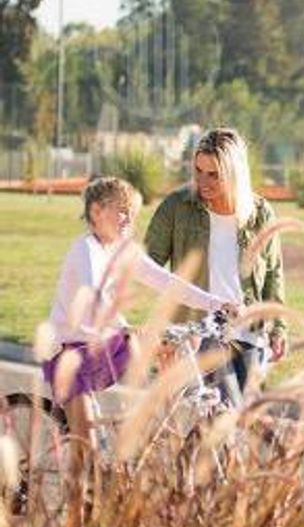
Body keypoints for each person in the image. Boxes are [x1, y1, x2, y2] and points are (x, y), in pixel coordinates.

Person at [42, 176, 236, 464]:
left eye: (132, 213)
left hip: (105, 345)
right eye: (121, 211)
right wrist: (125, 326)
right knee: (86, 455)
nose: (128, 219)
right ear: (96, 212)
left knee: (172, 345)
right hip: (72, 355)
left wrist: (216, 304)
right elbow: (93, 297)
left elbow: (167, 281)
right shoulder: (85, 250)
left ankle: (156, 427)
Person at [144, 127, 287, 404]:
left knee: (241, 420)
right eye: (198, 171)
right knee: (219, 416)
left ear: (235, 174)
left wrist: (279, 327)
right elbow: (148, 265)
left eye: (214, 174)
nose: (203, 182)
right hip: (199, 331)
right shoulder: (177, 206)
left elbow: (273, 274)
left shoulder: (260, 213)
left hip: (249, 334)